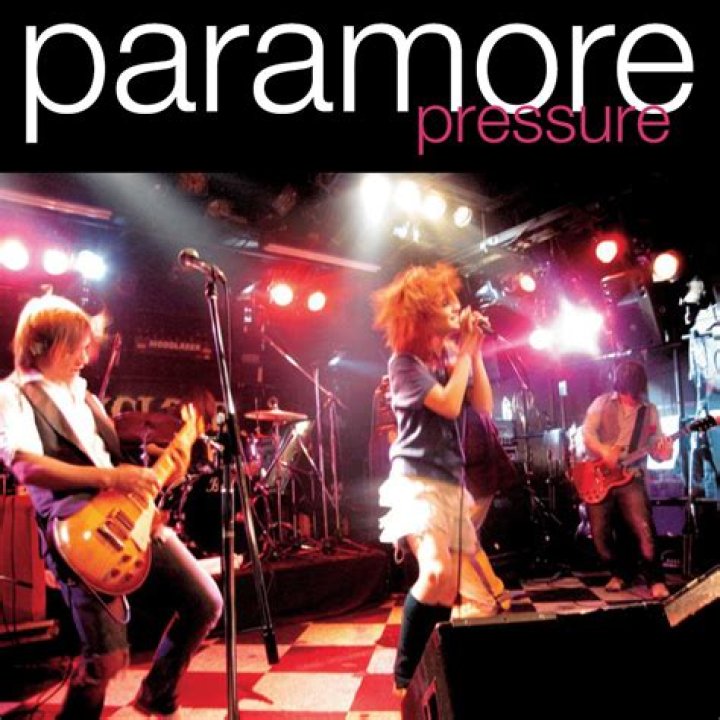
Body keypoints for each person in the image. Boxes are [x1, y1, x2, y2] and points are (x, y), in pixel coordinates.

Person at [0, 294, 223, 719]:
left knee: (205, 602)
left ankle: (158, 693)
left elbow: (117, 467)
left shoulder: (86, 398)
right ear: (44, 345)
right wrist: (111, 478)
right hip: (79, 533)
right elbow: (26, 465)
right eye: (76, 348)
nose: (86, 358)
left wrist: (167, 469)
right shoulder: (12, 395)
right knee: (105, 659)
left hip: (127, 520)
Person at [372, 262, 504, 694]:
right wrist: (466, 350)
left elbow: (482, 406)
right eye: (445, 303)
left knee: (446, 587)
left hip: (450, 484)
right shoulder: (403, 364)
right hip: (417, 483)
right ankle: (404, 676)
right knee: (434, 573)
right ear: (422, 314)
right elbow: (447, 405)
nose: (456, 307)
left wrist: (473, 352)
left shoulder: (449, 358)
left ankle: (433, 670)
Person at [581, 359, 672, 599]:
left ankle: (655, 578)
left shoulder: (649, 411)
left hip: (632, 475)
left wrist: (663, 453)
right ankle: (620, 572)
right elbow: (587, 433)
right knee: (600, 536)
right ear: (618, 386)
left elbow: (656, 445)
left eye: (634, 393)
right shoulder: (601, 403)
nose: (630, 398)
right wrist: (604, 451)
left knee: (643, 528)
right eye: (625, 393)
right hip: (600, 476)